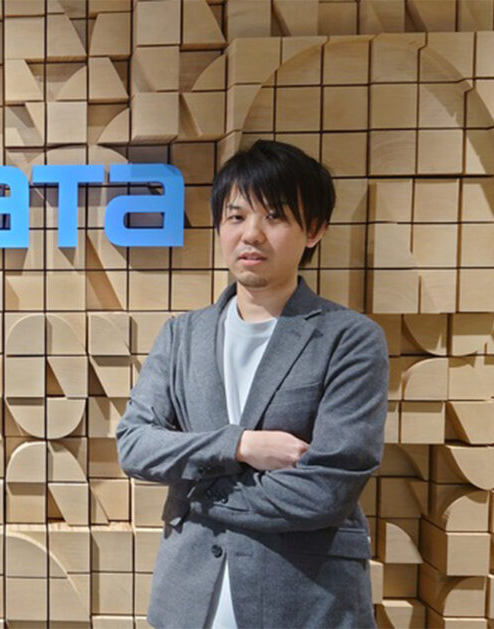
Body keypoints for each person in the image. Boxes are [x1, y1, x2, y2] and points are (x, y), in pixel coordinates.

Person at [115, 139, 389, 629]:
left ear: (314, 229)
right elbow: (135, 445)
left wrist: (194, 495)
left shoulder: (349, 339)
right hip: (188, 605)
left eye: (275, 217)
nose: (251, 235)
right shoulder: (181, 336)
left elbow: (325, 490)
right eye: (236, 217)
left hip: (306, 606)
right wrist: (239, 446)